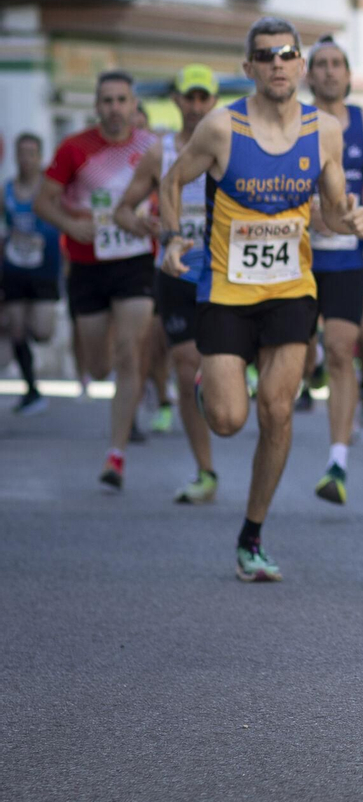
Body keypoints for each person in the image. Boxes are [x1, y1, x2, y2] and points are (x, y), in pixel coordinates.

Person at [159, 17, 363, 581]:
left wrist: (353, 219)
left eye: (286, 54)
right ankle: (215, 380)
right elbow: (171, 182)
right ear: (248, 67)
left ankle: (252, 535)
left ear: (300, 65)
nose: (277, 64)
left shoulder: (324, 130)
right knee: (229, 420)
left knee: (277, 410)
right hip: (226, 290)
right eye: (265, 55)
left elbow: (330, 211)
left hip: (291, 290)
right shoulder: (220, 128)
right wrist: (170, 237)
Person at [33, 71, 158, 489]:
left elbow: (171, 197)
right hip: (88, 263)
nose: (115, 108)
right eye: (107, 100)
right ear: (97, 106)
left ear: (133, 103)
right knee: (101, 366)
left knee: (128, 352)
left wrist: (159, 224)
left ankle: (116, 454)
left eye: (122, 99)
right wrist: (70, 224)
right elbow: (41, 202)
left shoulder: (151, 148)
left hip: (135, 260)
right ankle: (102, 366)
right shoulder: (75, 149)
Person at [113, 65, 221, 502]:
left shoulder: (231, 145)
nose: (195, 106)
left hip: (225, 270)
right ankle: (206, 471)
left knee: (216, 364)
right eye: (188, 97)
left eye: (203, 98)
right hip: (176, 271)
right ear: (176, 100)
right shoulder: (160, 154)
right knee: (184, 362)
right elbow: (123, 209)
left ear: (213, 102)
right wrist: (147, 227)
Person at [301, 37, 363, 505]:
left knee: (340, 349)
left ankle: (337, 459)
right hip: (296, 255)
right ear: (309, 75)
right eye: (321, 65)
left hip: (346, 256)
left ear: (349, 75)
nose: (330, 72)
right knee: (295, 356)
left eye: (337, 64)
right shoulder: (294, 122)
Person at [3, 132, 62, 415]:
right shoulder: (7, 191)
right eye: (21, 153)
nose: (26, 159)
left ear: (39, 156)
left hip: (44, 271)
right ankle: (31, 390)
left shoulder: (50, 190)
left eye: (31, 153)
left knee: (42, 331)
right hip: (13, 270)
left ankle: (19, 333)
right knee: (16, 327)